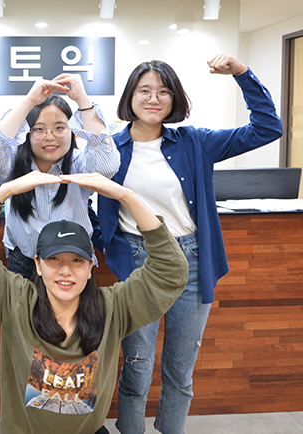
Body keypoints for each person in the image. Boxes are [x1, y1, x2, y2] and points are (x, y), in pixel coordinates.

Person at [94, 54, 283, 434]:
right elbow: (81, 196)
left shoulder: (195, 142)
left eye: (164, 91)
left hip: (191, 261)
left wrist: (242, 74)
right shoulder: (109, 148)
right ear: (130, 96)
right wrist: (109, 243)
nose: (154, 98)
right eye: (145, 90)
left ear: (174, 99)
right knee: (137, 366)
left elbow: (267, 128)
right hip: (138, 262)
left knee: (180, 370)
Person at [0, 170, 188, 434]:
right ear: (38, 265)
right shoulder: (15, 299)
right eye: (54, 259)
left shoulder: (113, 308)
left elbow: (172, 272)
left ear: (90, 267)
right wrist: (4, 193)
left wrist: (127, 197)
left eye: (77, 260)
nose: (65, 270)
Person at [0, 74, 120, 278]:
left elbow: (107, 165)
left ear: (72, 131)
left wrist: (83, 100)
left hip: (73, 264)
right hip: (24, 264)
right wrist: (29, 101)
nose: (49, 137)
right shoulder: (12, 167)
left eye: (59, 128)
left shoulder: (80, 164)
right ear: (27, 133)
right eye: (39, 129)